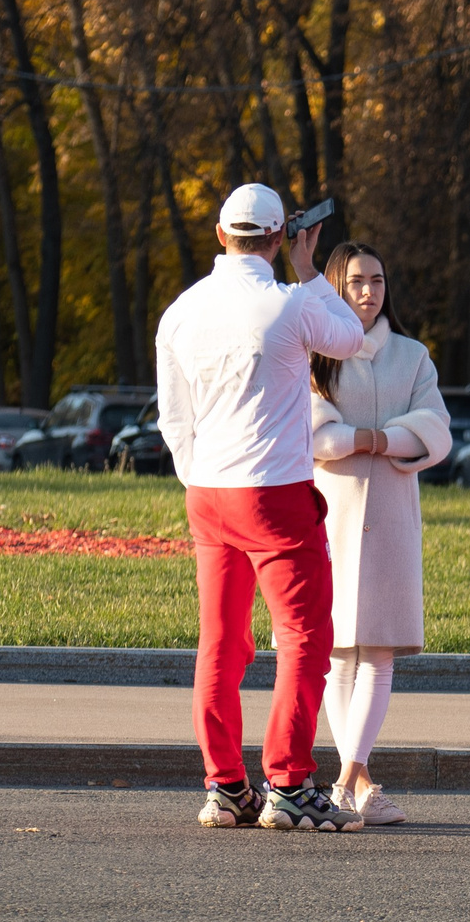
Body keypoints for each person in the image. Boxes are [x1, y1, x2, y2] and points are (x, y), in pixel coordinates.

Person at [156, 183, 367, 831]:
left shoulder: (180, 311)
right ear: (279, 238)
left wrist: (201, 476)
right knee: (304, 637)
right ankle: (290, 781)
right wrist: (310, 272)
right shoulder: (290, 304)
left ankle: (225, 786)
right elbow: (351, 338)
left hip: (208, 493)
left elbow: (173, 418)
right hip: (273, 493)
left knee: (221, 641)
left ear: (221, 234)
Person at [309, 243, 452, 826]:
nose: (369, 292)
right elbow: (312, 432)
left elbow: (435, 429)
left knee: (381, 651)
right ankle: (360, 782)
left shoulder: (413, 357)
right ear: (337, 289)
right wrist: (375, 437)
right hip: (332, 516)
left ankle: (345, 776)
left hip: (392, 516)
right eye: (357, 282)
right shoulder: (317, 353)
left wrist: (373, 439)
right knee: (338, 652)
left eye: (378, 280)